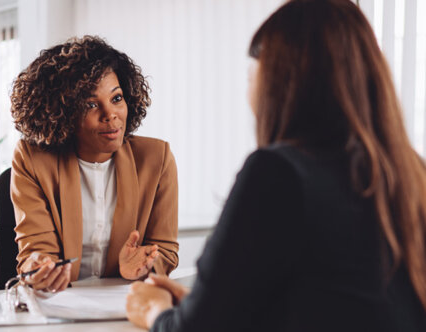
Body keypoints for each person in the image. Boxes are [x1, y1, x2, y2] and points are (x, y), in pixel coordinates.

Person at [126, 0, 426, 331]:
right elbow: (331, 305)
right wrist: (201, 303)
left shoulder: (278, 174)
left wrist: (155, 312)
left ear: (277, 80)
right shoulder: (411, 172)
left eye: (251, 73)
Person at [10, 36, 179, 293]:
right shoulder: (32, 159)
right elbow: (35, 249)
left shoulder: (157, 159)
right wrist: (40, 267)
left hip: (124, 306)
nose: (110, 114)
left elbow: (165, 251)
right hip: (59, 305)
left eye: (116, 98)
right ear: (62, 113)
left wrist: (144, 265)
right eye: (90, 104)